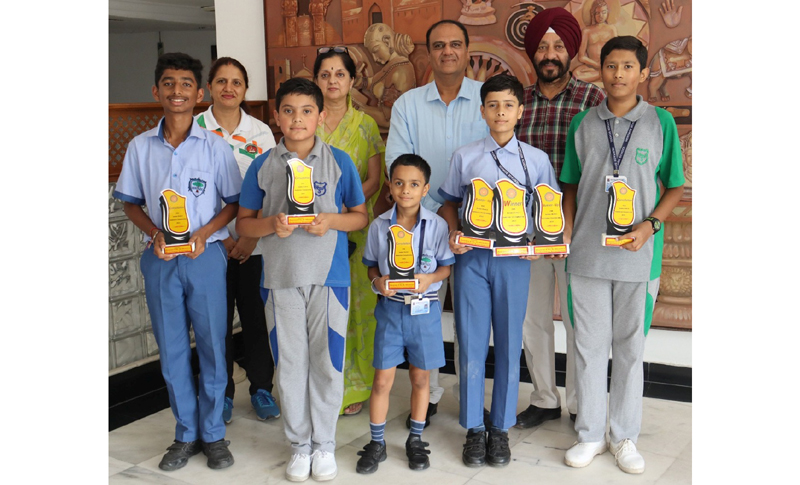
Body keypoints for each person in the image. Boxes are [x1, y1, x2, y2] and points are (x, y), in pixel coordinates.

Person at [559, 36, 685, 474]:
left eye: (628, 66)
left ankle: (624, 435)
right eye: (611, 66)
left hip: (638, 256)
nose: (618, 74)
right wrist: (569, 234)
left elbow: (675, 185)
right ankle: (591, 433)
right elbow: (570, 185)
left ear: (642, 73)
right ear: (601, 71)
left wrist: (650, 226)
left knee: (630, 348)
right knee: (589, 347)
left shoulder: (660, 123)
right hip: (589, 257)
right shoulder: (583, 124)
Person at [113, 52, 241, 471]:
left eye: (186, 84)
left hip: (205, 258)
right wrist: (154, 233)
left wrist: (205, 234)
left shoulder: (215, 146)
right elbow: (130, 202)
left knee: (212, 347)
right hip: (161, 259)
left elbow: (234, 204)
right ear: (156, 91)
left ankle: (214, 434)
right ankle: (185, 434)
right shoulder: (139, 147)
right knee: (171, 351)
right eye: (169, 83)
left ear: (199, 93)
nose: (177, 91)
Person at [236, 77, 368, 482]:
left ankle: (325, 444)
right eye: (289, 111)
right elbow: (244, 226)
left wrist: (329, 221)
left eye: (307, 111)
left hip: (330, 279)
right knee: (290, 363)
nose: (298, 119)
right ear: (276, 117)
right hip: (280, 280)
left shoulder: (340, 162)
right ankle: (299, 445)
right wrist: (270, 225)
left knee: (327, 363)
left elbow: (359, 216)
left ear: (321, 115)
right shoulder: (262, 166)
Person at [439, 74, 558, 468]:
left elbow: (547, 212)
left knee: (509, 343)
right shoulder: (466, 156)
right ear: (482, 110)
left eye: (508, 105)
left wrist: (540, 245)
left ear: (520, 111)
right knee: (471, 342)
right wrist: (454, 231)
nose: (500, 112)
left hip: (515, 264)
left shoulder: (536, 160)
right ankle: (474, 428)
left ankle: (501, 427)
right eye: (492, 105)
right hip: (471, 261)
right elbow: (448, 203)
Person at [385, 19, 489, 429]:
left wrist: (469, 219)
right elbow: (400, 166)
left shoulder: (487, 99)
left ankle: (470, 398)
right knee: (423, 313)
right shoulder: (407, 105)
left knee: (472, 320)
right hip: (422, 230)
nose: (448, 51)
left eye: (456, 44)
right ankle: (427, 397)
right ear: (428, 53)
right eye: (439, 45)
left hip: (481, 232)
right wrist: (439, 215)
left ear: (466, 50)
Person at [515, 6, 605, 430]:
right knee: (533, 318)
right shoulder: (517, 101)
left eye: (558, 46)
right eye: (542, 47)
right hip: (527, 229)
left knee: (578, 318)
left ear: (570, 51)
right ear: (532, 53)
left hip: (578, 227)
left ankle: (582, 404)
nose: (549, 54)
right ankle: (545, 398)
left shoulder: (592, 100)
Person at [356, 154, 455, 474]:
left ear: (425, 189)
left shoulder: (437, 225)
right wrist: (377, 280)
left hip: (424, 312)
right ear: (390, 186)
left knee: (420, 377)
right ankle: (377, 442)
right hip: (390, 310)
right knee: (383, 379)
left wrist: (430, 278)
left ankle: (415, 438)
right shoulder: (378, 225)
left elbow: (445, 268)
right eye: (399, 183)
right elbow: (370, 264)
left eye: (414, 184)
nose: (406, 190)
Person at [195, 57, 280, 425]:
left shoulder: (260, 132)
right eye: (221, 81)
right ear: (209, 87)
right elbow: (190, 193)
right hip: (209, 246)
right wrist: (223, 238)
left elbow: (272, 189)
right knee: (214, 324)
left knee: (256, 320)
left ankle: (261, 388)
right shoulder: (195, 128)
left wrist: (247, 238)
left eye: (237, 82)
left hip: (254, 247)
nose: (229, 88)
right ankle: (222, 393)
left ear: (245, 89)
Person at [313, 46, 385, 416]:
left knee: (358, 307)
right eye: (325, 75)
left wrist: (344, 210)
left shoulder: (366, 125)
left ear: (352, 80)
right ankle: (323, 385)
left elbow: (376, 179)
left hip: (355, 230)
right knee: (320, 309)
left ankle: (357, 387)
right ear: (316, 81)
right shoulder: (306, 121)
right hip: (310, 233)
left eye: (339, 74)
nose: (332, 81)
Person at [353, 23, 416, 129]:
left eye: (375, 50)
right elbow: (373, 83)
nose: (374, 58)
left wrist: (357, 108)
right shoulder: (391, 67)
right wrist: (357, 80)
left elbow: (388, 119)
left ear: (387, 41)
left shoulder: (400, 71)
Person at [573, 0, 618, 84]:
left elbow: (616, 51)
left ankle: (604, 73)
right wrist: (596, 65)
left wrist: (606, 64)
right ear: (593, 14)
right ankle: (601, 75)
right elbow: (581, 57)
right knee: (575, 75)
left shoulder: (611, 29)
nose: (600, 16)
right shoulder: (587, 31)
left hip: (607, 65)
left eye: (603, 12)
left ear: (607, 13)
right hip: (592, 67)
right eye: (597, 13)